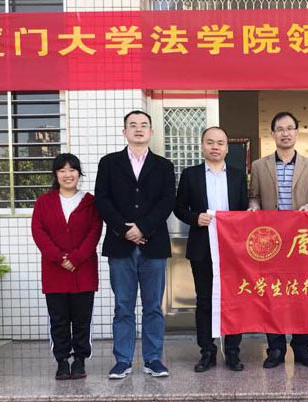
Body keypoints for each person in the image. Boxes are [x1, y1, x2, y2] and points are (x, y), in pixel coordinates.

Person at [94, 110, 176, 379]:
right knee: (123, 306)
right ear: (124, 131)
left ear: (151, 132)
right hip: (120, 246)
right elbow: (102, 199)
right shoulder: (109, 163)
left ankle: (153, 359)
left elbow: (167, 201)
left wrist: (143, 228)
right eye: (133, 125)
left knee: (153, 306)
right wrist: (124, 229)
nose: (138, 129)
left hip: (154, 246)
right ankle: (123, 360)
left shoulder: (164, 166)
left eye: (143, 125)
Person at [248, 111, 308, 369]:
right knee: (272, 295)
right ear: (272, 134)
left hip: (300, 241)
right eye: (280, 129)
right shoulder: (259, 166)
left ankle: (302, 347)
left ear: (296, 133)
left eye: (290, 128)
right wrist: (254, 207)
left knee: (303, 294)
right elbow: (254, 196)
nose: (285, 133)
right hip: (270, 242)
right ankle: (276, 348)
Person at [174, 126, 247, 373]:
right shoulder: (190, 175)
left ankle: (233, 351)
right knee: (204, 300)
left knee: (234, 300)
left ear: (227, 148)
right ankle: (207, 351)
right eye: (210, 142)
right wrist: (195, 218)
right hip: (202, 247)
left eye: (220, 143)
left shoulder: (238, 176)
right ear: (202, 146)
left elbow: (244, 210)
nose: (215, 147)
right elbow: (179, 208)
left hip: (232, 248)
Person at [31, 153, 102, 380]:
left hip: (84, 271)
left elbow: (94, 232)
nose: (67, 175)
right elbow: (38, 232)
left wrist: (77, 258)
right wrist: (60, 257)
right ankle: (62, 361)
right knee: (59, 320)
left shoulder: (90, 202)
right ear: (55, 174)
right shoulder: (44, 202)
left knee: (82, 320)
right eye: (62, 170)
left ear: (79, 174)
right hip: (55, 272)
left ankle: (80, 360)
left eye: (72, 170)